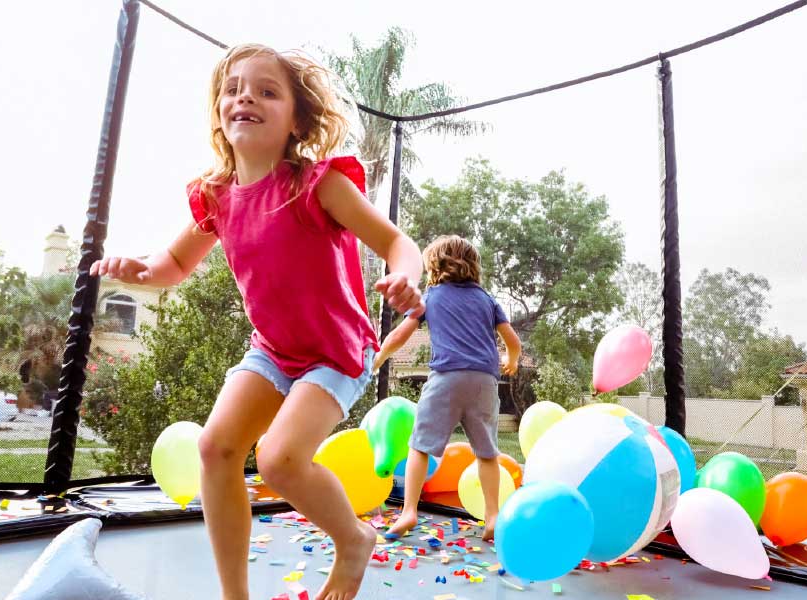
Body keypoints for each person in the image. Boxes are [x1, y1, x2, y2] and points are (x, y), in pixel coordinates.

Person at [91, 43, 424, 600]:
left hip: (336, 351)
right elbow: (173, 265)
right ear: (220, 110)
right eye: (234, 87)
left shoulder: (318, 184)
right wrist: (139, 271)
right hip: (272, 349)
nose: (246, 95)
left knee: (277, 459)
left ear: (297, 120)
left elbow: (395, 241)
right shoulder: (217, 197)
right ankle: (234, 596)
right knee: (216, 447)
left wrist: (405, 274)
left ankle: (353, 540)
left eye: (267, 91)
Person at [372, 235, 521, 542]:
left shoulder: (430, 297)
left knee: (420, 446)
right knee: (487, 452)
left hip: (445, 380)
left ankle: (409, 510)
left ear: (435, 266)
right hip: (484, 381)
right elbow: (513, 341)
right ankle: (492, 516)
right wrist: (512, 359)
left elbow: (400, 335)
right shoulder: (487, 300)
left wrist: (380, 357)